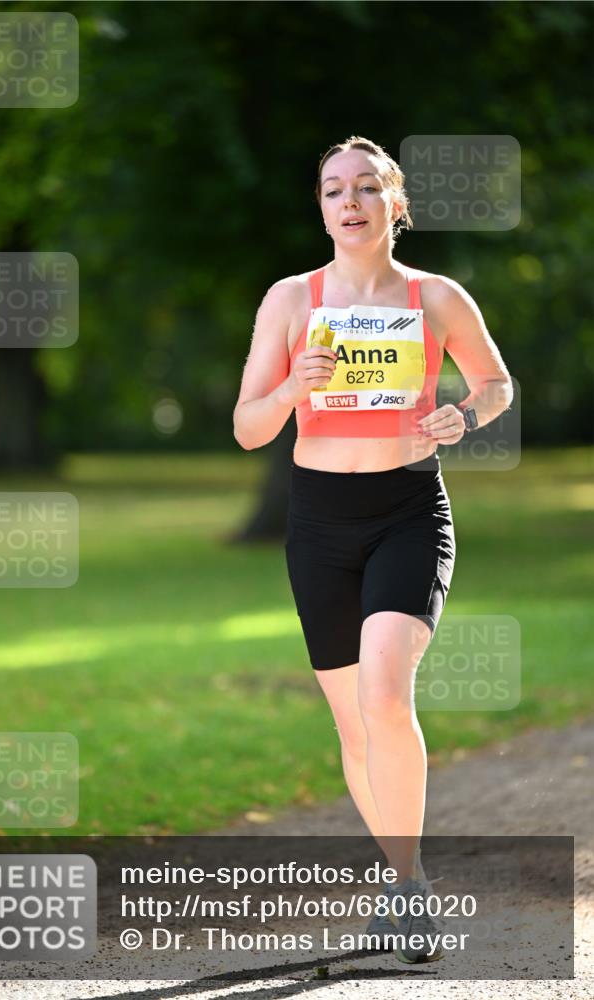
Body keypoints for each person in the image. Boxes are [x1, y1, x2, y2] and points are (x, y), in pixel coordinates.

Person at [233, 135, 513, 963]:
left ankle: (410, 892)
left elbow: (496, 384)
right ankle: (405, 880)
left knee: (386, 697)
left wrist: (462, 416)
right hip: (318, 520)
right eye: (331, 190)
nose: (348, 202)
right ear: (320, 208)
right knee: (355, 726)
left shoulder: (435, 297)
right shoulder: (291, 300)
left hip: (405, 509)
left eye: (364, 187)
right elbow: (250, 429)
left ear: (396, 203)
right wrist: (293, 385)